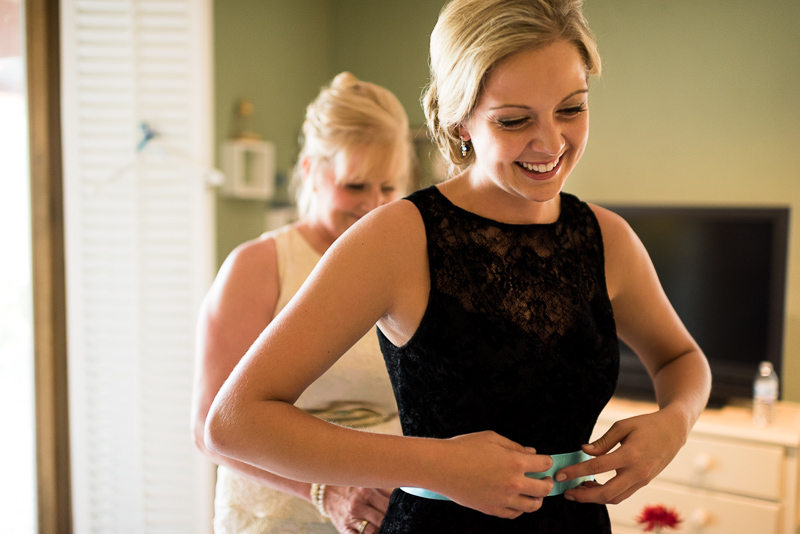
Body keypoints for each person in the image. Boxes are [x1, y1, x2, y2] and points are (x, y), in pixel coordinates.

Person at [204, 0, 712, 532]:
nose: (551, 142)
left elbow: (682, 358)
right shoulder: (396, 238)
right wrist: (435, 464)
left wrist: (674, 424)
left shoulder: (608, 239)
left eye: (571, 108)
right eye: (514, 120)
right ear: (459, 119)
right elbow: (234, 420)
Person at [191, 72, 414, 534]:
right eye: (356, 186)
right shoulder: (257, 267)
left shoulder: (406, 270)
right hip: (277, 518)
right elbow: (208, 427)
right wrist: (325, 491)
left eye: (389, 187)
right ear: (311, 170)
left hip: (383, 516)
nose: (374, 205)